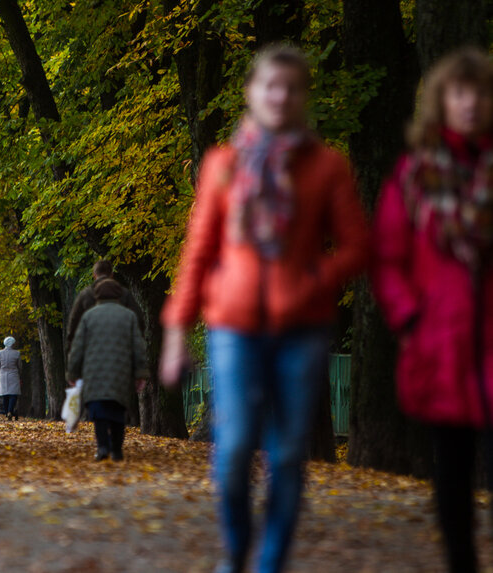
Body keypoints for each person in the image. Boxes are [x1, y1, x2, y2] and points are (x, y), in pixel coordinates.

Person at [159, 45, 369, 573]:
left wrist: (315, 278)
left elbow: (356, 246)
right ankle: (237, 553)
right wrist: (176, 332)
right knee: (232, 453)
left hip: (302, 329)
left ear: (304, 97)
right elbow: (199, 251)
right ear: (252, 93)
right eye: (271, 86)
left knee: (289, 453)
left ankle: (269, 563)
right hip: (233, 327)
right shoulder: (223, 165)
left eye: (293, 87)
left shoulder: (325, 167)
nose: (281, 96)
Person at [371, 48, 493, 573]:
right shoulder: (414, 174)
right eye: (458, 93)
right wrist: (409, 317)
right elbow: (389, 257)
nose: (469, 104)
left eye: (480, 94)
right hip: (441, 338)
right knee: (455, 466)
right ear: (441, 102)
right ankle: (461, 561)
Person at [67, 278, 148, 462]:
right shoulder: (129, 316)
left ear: (97, 296)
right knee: (117, 409)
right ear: (119, 295)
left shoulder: (89, 316)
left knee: (98, 410)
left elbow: (78, 347)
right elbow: (138, 346)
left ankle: (103, 446)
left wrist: (73, 372)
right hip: (121, 370)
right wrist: (140, 373)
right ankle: (117, 449)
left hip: (94, 370)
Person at [66, 259, 144, 355]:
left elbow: (74, 324)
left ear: (94, 275)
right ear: (112, 275)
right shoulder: (124, 294)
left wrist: (72, 349)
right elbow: (139, 320)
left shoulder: (85, 295)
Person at [0, 336, 22, 421]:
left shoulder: (0, 353)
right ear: (12, 343)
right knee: (13, 395)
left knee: (5, 395)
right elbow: (20, 366)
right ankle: (10, 411)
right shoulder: (17, 353)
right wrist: (19, 374)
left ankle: (6, 412)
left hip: (3, 375)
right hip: (14, 375)